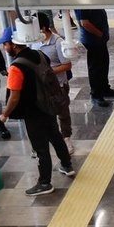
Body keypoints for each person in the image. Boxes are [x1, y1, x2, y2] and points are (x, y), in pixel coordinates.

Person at [0, 20, 76, 197]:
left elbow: (14, 96)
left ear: (13, 45)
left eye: (5, 44)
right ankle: (66, 165)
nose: (4, 47)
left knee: (40, 148)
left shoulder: (16, 68)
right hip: (48, 104)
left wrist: (5, 114)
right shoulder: (40, 54)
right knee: (55, 136)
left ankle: (44, 182)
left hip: (33, 112)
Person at [30, 12, 76, 153]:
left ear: (43, 28)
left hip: (58, 86)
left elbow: (67, 65)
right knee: (46, 115)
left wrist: (48, 71)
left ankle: (66, 138)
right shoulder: (34, 42)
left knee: (62, 113)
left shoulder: (58, 42)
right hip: (42, 87)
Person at [75, 7, 114, 110]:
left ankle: (104, 88)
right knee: (96, 67)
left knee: (103, 63)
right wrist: (99, 33)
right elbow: (85, 23)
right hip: (93, 39)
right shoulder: (82, 3)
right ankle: (96, 94)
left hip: (99, 39)